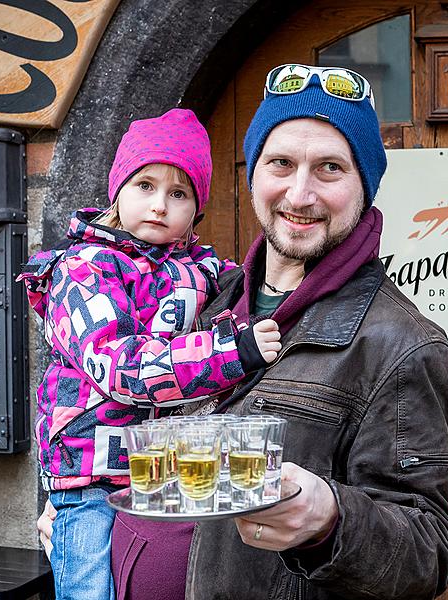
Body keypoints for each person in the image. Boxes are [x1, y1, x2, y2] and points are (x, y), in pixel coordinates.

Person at [40, 64, 448, 599]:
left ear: (364, 186)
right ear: (255, 174)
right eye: (281, 163)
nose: (300, 194)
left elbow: (431, 552)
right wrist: (83, 509)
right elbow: (125, 402)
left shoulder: (398, 342)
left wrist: (330, 519)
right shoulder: (201, 297)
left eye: (329, 168)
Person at [18, 108, 281, 600]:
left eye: (178, 193)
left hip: (163, 470)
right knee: (91, 591)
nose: (159, 205)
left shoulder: (201, 270)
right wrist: (233, 354)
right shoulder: (83, 269)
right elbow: (122, 368)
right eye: (145, 185)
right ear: (118, 188)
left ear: (196, 209)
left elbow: (251, 295)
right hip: (88, 471)